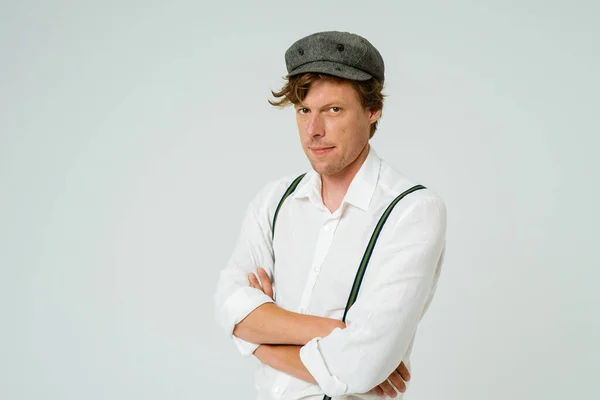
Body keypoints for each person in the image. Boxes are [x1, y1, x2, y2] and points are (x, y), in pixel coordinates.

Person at [214, 31, 447, 399]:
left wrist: (258, 338)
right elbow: (230, 308)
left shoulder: (410, 211)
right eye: (304, 110)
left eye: (333, 110)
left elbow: (360, 365)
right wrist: (333, 331)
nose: (313, 131)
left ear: (373, 111)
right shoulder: (274, 201)